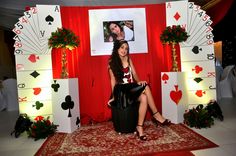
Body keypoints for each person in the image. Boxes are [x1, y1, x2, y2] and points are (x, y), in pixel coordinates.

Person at [108, 40, 171, 141]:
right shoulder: (112, 62)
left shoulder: (128, 58)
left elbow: (135, 74)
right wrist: (114, 97)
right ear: (117, 48)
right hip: (121, 90)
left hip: (131, 87)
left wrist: (138, 82)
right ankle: (156, 115)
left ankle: (140, 127)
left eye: (126, 48)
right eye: (122, 47)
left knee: (144, 96)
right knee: (146, 87)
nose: (124, 50)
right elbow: (112, 80)